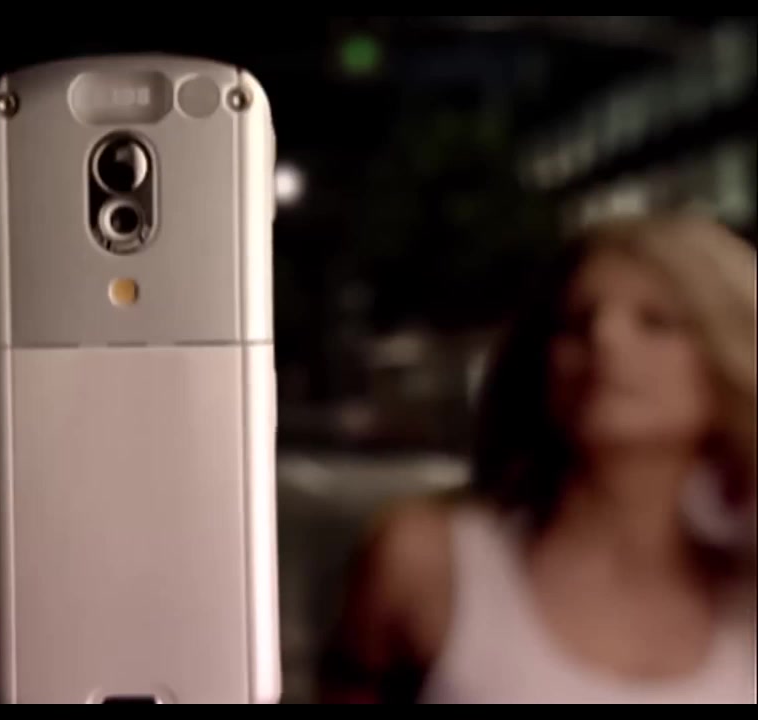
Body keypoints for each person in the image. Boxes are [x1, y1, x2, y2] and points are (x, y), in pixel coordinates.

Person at [319, 214, 757, 704]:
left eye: (655, 321)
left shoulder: (744, 596)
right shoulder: (425, 564)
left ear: (730, 357)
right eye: (574, 322)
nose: (604, 337)